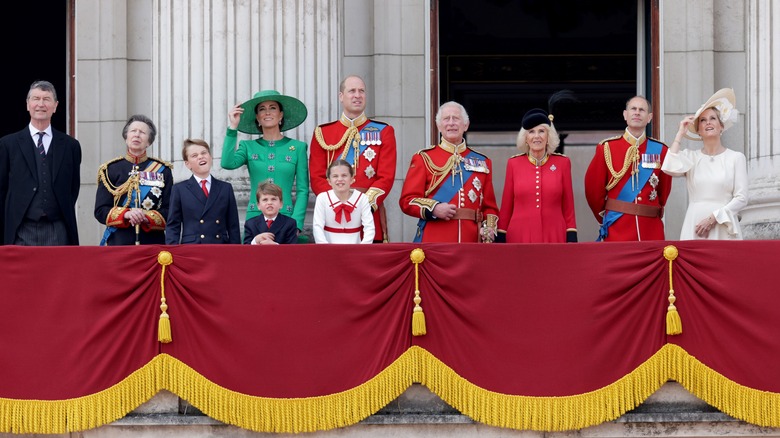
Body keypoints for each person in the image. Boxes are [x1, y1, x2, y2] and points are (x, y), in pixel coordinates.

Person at [309, 75, 396, 243]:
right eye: (352, 91)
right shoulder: (323, 133)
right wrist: (334, 202)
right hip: (332, 216)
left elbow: (386, 177)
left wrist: (362, 205)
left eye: (361, 91)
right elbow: (316, 176)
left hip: (368, 216)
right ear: (341, 96)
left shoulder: (384, 131)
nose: (357, 95)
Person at [399, 101, 499, 243]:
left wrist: (488, 229)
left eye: (456, 118)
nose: (451, 123)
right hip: (435, 240)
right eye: (446, 119)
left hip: (471, 241)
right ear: (439, 126)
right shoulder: (424, 158)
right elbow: (407, 201)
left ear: (466, 125)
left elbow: (490, 208)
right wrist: (434, 208)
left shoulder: (483, 162)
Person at [0, 80, 82, 245]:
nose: (40, 104)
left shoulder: (70, 145)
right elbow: (2, 189)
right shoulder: (8, 144)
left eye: (46, 99)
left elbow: (73, 189)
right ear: (27, 104)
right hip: (20, 229)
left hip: (58, 229)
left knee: (59, 271)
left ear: (55, 106)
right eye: (36, 98)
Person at [662, 88, 748, 240]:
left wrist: (714, 218)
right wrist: (680, 134)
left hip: (723, 224)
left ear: (721, 126)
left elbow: (742, 198)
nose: (708, 122)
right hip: (695, 224)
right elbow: (668, 167)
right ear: (699, 131)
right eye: (703, 120)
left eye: (713, 118)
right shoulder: (691, 157)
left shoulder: (736, 158)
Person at [221, 89, 309, 236]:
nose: (267, 112)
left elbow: (302, 190)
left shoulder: (298, 148)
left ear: (281, 114)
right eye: (262, 109)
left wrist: (297, 223)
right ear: (257, 117)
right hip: (255, 218)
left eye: (273, 108)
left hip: (286, 218)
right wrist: (233, 127)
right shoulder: (248, 146)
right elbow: (227, 163)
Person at [584, 96, 672, 241]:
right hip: (617, 228)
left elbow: (664, 191)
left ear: (649, 117)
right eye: (633, 109)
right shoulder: (607, 148)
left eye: (642, 110)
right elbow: (593, 191)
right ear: (625, 114)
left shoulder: (660, 150)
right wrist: (608, 216)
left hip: (650, 229)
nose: (637, 113)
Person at [497, 108, 577, 243]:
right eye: (531, 132)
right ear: (526, 138)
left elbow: (568, 206)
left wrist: (571, 234)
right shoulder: (513, 164)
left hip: (555, 234)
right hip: (519, 235)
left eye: (541, 131)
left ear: (548, 136)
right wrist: (501, 234)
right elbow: (506, 206)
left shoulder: (562, 163)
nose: (536, 136)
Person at [95, 114, 173, 245]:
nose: (137, 135)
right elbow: (100, 211)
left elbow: (170, 211)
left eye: (142, 132)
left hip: (152, 242)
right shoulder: (110, 169)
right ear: (126, 138)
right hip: (119, 241)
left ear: (149, 141)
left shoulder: (163, 170)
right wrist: (126, 214)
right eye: (133, 131)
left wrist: (145, 216)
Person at [165, 138, 241, 244]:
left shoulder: (225, 188)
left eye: (204, 153)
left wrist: (235, 253)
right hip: (192, 248)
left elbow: (233, 226)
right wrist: (172, 252)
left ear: (210, 157)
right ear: (188, 164)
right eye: (194, 155)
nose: (200, 157)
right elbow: (173, 226)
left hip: (220, 247)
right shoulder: (179, 189)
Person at [312, 159, 375, 244]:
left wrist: (362, 249)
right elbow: (317, 227)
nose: (340, 179)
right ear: (329, 181)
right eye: (335, 176)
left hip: (356, 250)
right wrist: (325, 249)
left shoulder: (362, 198)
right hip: (328, 250)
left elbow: (369, 227)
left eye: (344, 175)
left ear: (352, 179)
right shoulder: (322, 198)